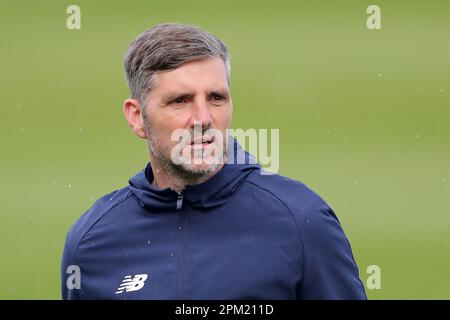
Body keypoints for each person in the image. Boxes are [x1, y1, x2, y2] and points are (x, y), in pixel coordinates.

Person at [61, 23, 367, 300]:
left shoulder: (301, 222)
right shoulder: (92, 242)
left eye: (216, 98)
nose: (203, 118)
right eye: (180, 100)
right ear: (137, 117)